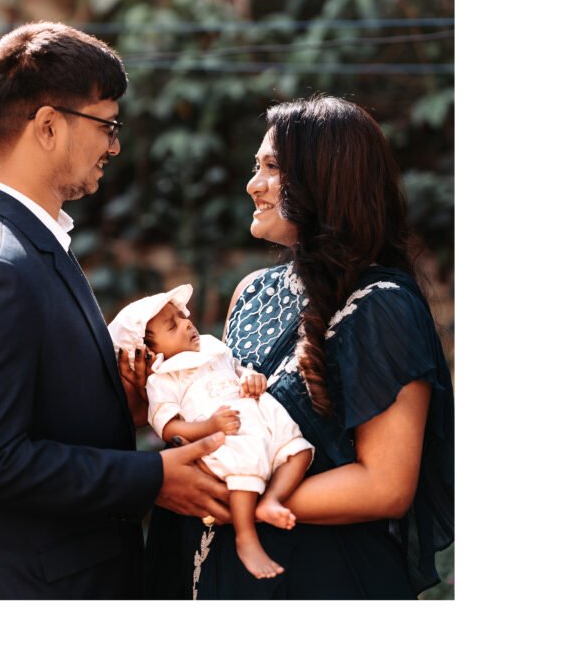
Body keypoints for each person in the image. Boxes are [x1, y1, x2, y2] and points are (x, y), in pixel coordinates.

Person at [0, 21, 229, 600]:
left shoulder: (20, 240)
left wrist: (124, 406)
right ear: (47, 126)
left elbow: (30, 413)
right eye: (106, 125)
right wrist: (153, 476)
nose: (113, 146)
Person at [144, 94, 454, 599]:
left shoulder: (383, 306)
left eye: (272, 167)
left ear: (324, 179)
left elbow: (387, 485)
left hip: (314, 574)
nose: (253, 184)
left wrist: (229, 495)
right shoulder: (252, 291)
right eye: (256, 165)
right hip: (204, 563)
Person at [108, 284, 313, 579]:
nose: (187, 323)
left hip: (259, 415)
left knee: (299, 450)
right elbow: (168, 427)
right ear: (149, 352)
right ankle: (246, 537)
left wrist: (251, 378)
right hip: (225, 435)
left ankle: (272, 499)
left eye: (182, 315)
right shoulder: (163, 379)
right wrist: (210, 427)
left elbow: (237, 369)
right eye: (172, 325)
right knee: (243, 466)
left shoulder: (212, 348)